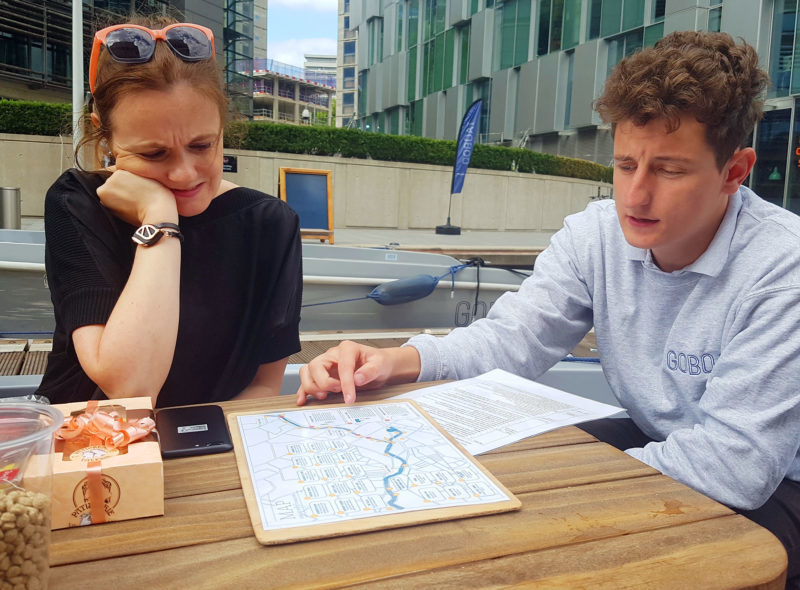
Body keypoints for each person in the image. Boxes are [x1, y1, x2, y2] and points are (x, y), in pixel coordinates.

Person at [295, 31, 800, 583]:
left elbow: (735, 465)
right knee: (500, 465)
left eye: (670, 170)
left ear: (734, 171)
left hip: (778, 484)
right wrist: (393, 361)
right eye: (626, 164)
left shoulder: (782, 268)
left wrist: (553, 492)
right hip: (659, 440)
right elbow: (514, 339)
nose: (634, 196)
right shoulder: (595, 237)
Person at [36, 16, 302, 407]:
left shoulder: (270, 223)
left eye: (202, 145)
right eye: (153, 153)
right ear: (105, 135)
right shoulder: (76, 201)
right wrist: (160, 219)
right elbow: (129, 387)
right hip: (88, 445)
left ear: (222, 129)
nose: (183, 173)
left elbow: (264, 385)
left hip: (213, 441)